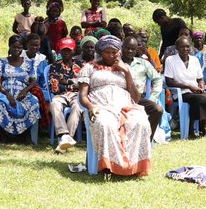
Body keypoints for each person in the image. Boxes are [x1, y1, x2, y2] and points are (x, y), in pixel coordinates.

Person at [78, 36, 152, 176]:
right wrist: (90, 107)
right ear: (100, 52)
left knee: (140, 122)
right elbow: (82, 95)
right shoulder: (89, 68)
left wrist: (127, 72)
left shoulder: (125, 68)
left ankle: (132, 166)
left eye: (114, 52)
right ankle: (109, 166)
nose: (111, 55)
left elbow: (136, 98)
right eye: (108, 52)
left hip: (125, 106)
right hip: (101, 106)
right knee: (105, 124)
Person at [0, 35, 41, 138]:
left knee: (34, 102)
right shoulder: (2, 62)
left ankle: (25, 135)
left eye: (19, 47)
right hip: (5, 93)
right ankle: (3, 135)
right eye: (14, 47)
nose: (17, 50)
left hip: (22, 93)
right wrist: (7, 95)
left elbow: (33, 80)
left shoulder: (29, 63)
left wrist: (25, 91)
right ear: (9, 46)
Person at [162, 35, 206, 137]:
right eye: (182, 46)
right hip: (180, 92)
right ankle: (191, 130)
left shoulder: (194, 60)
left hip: (195, 90)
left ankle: (203, 127)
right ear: (177, 47)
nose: (185, 49)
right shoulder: (170, 60)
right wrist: (189, 87)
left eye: (187, 46)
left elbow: (200, 78)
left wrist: (201, 86)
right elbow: (169, 82)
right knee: (198, 99)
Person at [122, 36, 164, 137]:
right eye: (127, 48)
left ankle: (145, 139)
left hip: (137, 98)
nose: (130, 51)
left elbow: (157, 79)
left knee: (157, 110)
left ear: (136, 50)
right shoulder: (116, 62)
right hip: (120, 98)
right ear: (122, 48)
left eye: (133, 49)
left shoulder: (143, 63)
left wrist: (152, 97)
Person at [50, 38, 83, 152]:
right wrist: (74, 83)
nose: (66, 53)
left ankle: (65, 141)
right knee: (54, 104)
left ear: (73, 51)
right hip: (61, 95)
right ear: (60, 51)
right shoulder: (55, 66)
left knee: (77, 107)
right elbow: (54, 88)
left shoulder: (80, 65)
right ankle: (63, 135)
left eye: (69, 50)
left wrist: (65, 81)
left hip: (76, 95)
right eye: (64, 50)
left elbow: (83, 84)